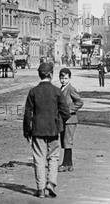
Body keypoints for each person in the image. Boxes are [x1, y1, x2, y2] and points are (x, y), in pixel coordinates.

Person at [23, 61, 70, 198]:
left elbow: (27, 114)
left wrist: (27, 131)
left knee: (39, 159)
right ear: (51, 74)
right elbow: (66, 112)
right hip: (53, 131)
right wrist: (58, 124)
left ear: (39, 75)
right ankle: (51, 183)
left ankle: (41, 189)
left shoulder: (33, 92)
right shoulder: (56, 91)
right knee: (54, 158)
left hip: (37, 131)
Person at [58, 68, 83, 172]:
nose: (63, 80)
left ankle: (66, 164)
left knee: (67, 141)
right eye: (61, 78)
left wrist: (69, 110)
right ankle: (69, 164)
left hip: (70, 120)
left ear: (69, 78)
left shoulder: (71, 89)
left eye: (65, 78)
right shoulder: (61, 89)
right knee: (65, 141)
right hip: (64, 120)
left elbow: (79, 102)